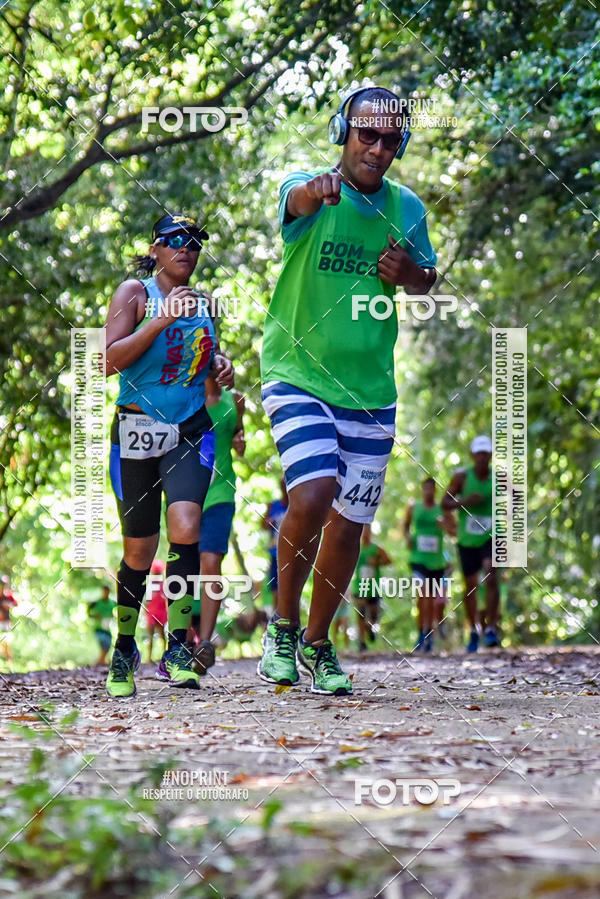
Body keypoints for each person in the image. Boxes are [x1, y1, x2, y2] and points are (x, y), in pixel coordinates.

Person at [259, 85, 437, 695]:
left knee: (350, 523)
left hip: (370, 392)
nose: (379, 148)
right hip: (297, 372)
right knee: (312, 493)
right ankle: (280, 628)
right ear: (344, 132)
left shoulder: (407, 208)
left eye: (392, 139)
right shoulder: (311, 190)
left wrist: (411, 274)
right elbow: (294, 200)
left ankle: (317, 642)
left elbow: (427, 281)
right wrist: (314, 191)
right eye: (368, 135)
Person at [104, 212, 233, 698]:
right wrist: (160, 319)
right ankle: (123, 649)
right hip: (137, 430)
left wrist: (220, 365)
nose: (186, 248)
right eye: (175, 240)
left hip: (189, 430)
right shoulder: (133, 293)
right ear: (154, 249)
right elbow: (106, 360)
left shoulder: (204, 304)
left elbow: (204, 359)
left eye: (195, 241)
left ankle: (178, 646)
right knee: (139, 550)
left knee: (186, 530)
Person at [188, 372, 245, 675]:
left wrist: (240, 440)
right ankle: (182, 639)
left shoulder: (235, 401)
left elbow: (239, 435)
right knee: (186, 563)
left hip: (221, 493)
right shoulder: (187, 398)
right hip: (188, 494)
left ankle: (205, 642)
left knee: (211, 560)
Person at [442, 435, 500, 652]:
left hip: (491, 535)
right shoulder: (462, 477)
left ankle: (492, 628)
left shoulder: (499, 478)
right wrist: (465, 502)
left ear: (491, 455)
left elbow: (515, 500)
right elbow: (444, 502)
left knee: (491, 572)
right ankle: (475, 629)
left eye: (486, 453)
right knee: (471, 584)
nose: (483, 458)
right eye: (479, 454)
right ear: (473, 456)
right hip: (467, 540)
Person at [404, 477, 455, 653]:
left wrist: (445, 525)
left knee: (432, 601)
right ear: (422, 490)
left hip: (436, 562)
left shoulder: (442, 509)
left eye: (431, 489)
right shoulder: (414, 507)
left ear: (435, 490)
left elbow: (454, 531)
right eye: (425, 489)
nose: (428, 492)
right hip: (418, 560)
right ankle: (421, 634)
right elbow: (405, 526)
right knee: (422, 595)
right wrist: (408, 537)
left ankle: (429, 635)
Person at [352, 525, 392, 651]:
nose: (366, 534)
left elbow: (388, 561)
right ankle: (362, 642)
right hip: (359, 586)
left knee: (374, 615)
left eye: (368, 531)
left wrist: (377, 562)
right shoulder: (356, 547)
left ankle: (369, 628)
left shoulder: (377, 548)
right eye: (364, 531)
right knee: (361, 613)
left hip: (374, 587)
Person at [262, 479, 288, 606]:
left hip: (291, 554)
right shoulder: (273, 506)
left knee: (289, 586)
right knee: (275, 588)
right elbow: (263, 525)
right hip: (275, 553)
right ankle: (276, 617)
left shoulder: (297, 504)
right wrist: (268, 522)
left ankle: (289, 618)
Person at [143, 559, 168, 661]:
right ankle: (149, 657)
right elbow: (145, 600)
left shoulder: (163, 585)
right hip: (152, 613)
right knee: (151, 635)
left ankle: (163, 655)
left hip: (160, 613)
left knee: (161, 635)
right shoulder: (149, 584)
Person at [88, 585, 116, 665]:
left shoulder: (112, 603)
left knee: (108, 645)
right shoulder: (97, 603)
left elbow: (120, 608)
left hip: (107, 628)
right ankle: (100, 661)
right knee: (103, 643)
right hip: (98, 628)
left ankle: (101, 661)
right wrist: (94, 616)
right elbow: (89, 612)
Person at [0, 576, 17, 663]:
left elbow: (15, 604)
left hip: (6, 622)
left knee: (7, 641)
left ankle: (9, 660)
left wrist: (8, 604)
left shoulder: (8, 595)